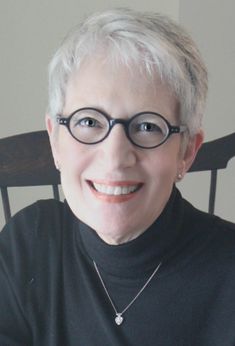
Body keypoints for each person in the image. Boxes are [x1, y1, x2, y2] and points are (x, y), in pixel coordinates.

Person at [0, 8, 235, 346]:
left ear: (186, 152)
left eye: (147, 127)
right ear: (55, 140)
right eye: (89, 122)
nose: (115, 157)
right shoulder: (28, 244)